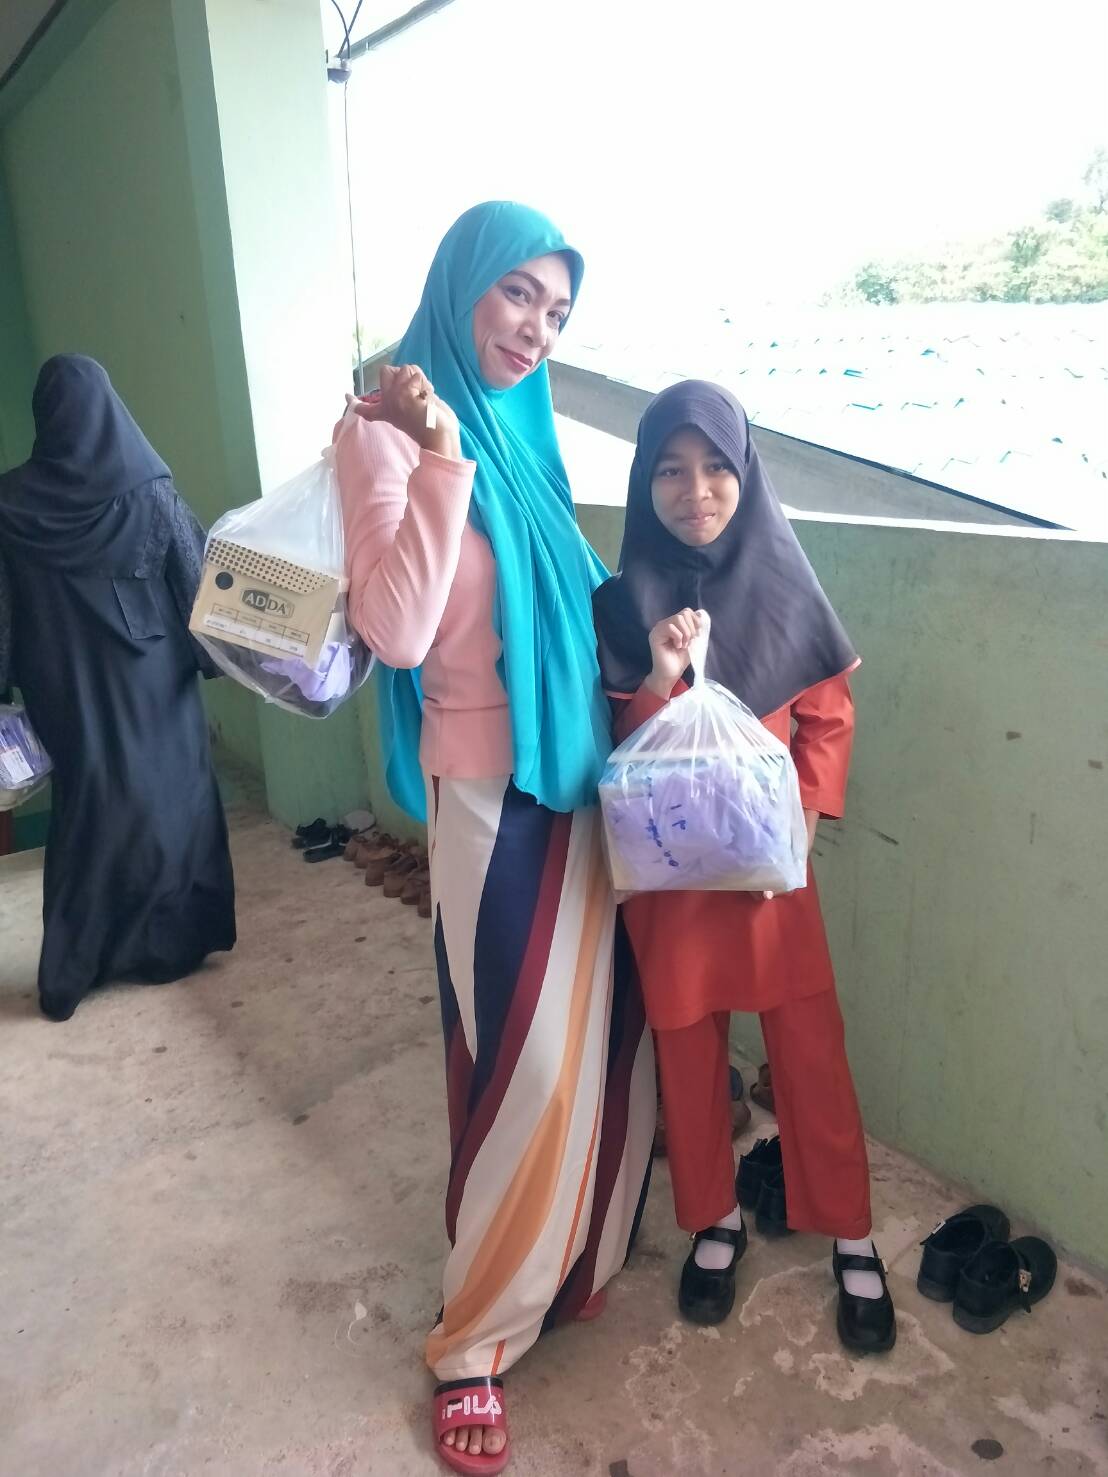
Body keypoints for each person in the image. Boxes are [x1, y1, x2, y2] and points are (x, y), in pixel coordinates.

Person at [337, 202, 655, 1474]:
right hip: (482, 787)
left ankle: (570, 1252)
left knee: (597, 1039)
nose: (537, 329)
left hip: (579, 777)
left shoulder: (528, 431)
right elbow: (396, 629)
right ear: (463, 284)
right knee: (517, 1056)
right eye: (518, 293)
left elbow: (573, 605)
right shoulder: (380, 434)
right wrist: (437, 451)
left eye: (559, 311)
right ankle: (471, 1338)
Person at [593, 379, 896, 1355]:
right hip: (671, 875)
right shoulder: (621, 601)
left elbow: (827, 717)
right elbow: (617, 747)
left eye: (717, 466)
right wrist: (656, 674)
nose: (696, 491)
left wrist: (797, 833)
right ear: (643, 482)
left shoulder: (783, 579)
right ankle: (713, 1219)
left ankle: (850, 1229)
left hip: (770, 874)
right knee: (687, 1049)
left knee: (808, 1046)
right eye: (670, 470)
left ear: (747, 471)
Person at [0, 355, 235, 1022]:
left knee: (90, 808)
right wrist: (216, 658)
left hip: (64, 681)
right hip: (153, 674)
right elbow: (196, 584)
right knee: (175, 798)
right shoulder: (150, 488)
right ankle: (171, 944)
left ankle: (74, 967)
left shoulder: (8, 505)